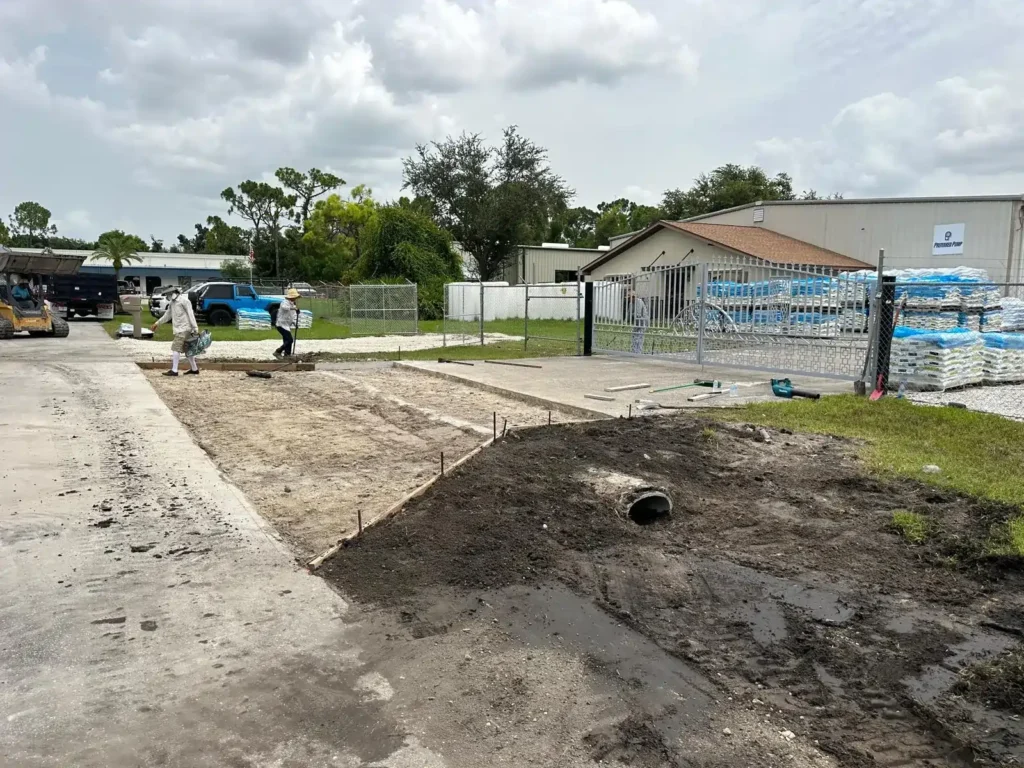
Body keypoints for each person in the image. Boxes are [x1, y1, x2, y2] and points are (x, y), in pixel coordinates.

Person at [150, 287, 200, 377]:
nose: (168, 297)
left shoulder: (184, 301)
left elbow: (190, 314)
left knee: (175, 348)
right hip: (180, 329)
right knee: (187, 349)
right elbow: (167, 315)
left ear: (174, 293)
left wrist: (195, 327)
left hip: (184, 328)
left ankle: (174, 370)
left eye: (169, 295)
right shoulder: (172, 303)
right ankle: (194, 369)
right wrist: (157, 323)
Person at [274, 288, 301, 359]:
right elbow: (284, 308)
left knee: (287, 340)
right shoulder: (284, 302)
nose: (295, 298)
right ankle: (278, 352)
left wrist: (295, 323)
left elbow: (293, 316)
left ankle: (287, 355)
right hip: (281, 324)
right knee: (290, 340)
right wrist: (294, 309)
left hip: (286, 325)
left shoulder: (293, 305)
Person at [629, 288, 649, 354]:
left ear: (634, 297)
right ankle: (634, 351)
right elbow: (629, 313)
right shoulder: (631, 304)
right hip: (636, 322)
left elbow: (638, 314)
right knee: (634, 336)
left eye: (630, 297)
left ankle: (638, 352)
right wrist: (626, 321)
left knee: (640, 337)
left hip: (643, 322)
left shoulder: (639, 301)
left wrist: (632, 315)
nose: (629, 299)